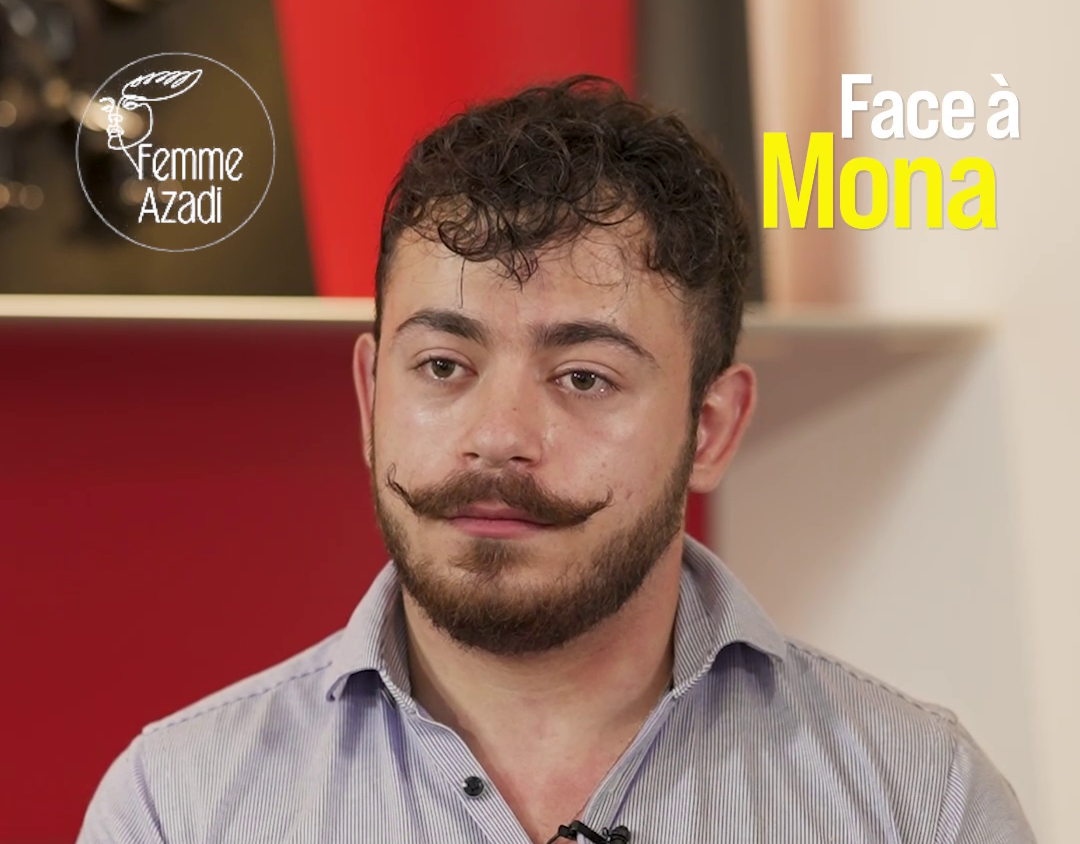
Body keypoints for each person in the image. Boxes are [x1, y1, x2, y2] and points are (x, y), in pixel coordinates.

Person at [75, 76, 1035, 844]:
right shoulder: (177, 808)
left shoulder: (925, 804)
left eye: (583, 377)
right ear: (371, 398)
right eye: (443, 366)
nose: (498, 436)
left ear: (710, 428)